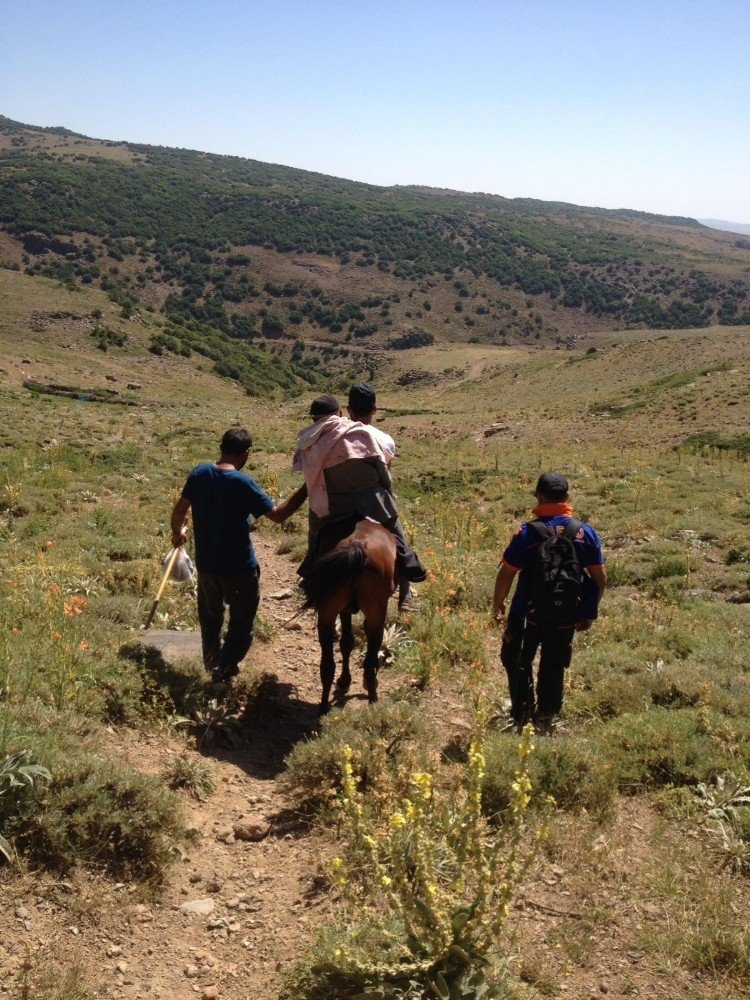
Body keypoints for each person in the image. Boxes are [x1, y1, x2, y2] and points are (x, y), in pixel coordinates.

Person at [171, 427, 306, 683]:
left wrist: (177, 533)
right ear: (246, 453)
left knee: (210, 619)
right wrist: (307, 488)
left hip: (207, 565)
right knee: (242, 622)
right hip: (239, 567)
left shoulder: (200, 473)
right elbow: (278, 516)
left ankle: (213, 664)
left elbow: (179, 511)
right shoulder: (243, 483)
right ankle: (226, 667)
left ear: (221, 447)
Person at [491, 472, 606, 732]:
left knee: (517, 659)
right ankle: (546, 714)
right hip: (565, 614)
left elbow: (506, 573)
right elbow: (600, 580)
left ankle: (522, 713)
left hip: (526, 614)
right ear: (568, 497)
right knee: (554, 663)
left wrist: (498, 605)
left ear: (538, 496)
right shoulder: (584, 532)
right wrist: (587, 612)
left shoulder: (526, 533)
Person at [292, 394, 426, 597]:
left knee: (316, 529)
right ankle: (407, 581)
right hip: (372, 500)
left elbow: (313, 478)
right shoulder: (358, 431)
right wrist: (385, 488)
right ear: (339, 412)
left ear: (314, 418)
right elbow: (381, 467)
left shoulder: (309, 441)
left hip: (335, 503)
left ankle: (310, 568)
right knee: (395, 528)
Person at [347, 383, 420, 610]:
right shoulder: (385, 439)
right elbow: (387, 476)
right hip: (375, 504)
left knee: (319, 533)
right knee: (400, 540)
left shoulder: (338, 436)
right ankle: (406, 595)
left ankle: (310, 574)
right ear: (374, 410)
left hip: (341, 501)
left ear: (349, 410)